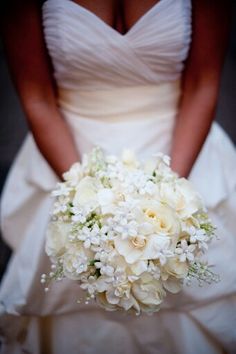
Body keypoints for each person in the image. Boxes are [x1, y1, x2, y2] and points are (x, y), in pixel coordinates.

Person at [0, 0, 236, 353]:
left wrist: (166, 194)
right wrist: (87, 202)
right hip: (69, 150)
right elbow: (36, 97)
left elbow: (203, 82)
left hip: (182, 148)